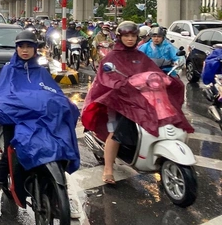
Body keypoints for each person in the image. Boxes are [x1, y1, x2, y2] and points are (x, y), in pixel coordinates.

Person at [0, 30, 81, 216]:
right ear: (17, 48)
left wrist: (64, 105)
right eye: (21, 46)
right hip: (16, 118)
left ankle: (64, 193)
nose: (25, 50)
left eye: (29, 46)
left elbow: (52, 93)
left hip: (40, 118)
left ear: (35, 49)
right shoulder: (9, 70)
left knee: (59, 147)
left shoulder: (41, 71)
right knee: (10, 151)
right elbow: (2, 96)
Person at [81, 21, 193, 185]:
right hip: (117, 99)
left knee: (165, 116)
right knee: (116, 132)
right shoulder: (112, 57)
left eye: (133, 36)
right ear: (120, 37)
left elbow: (152, 71)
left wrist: (164, 80)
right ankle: (108, 169)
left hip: (139, 98)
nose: (130, 39)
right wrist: (119, 84)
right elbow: (105, 77)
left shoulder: (140, 55)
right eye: (127, 36)